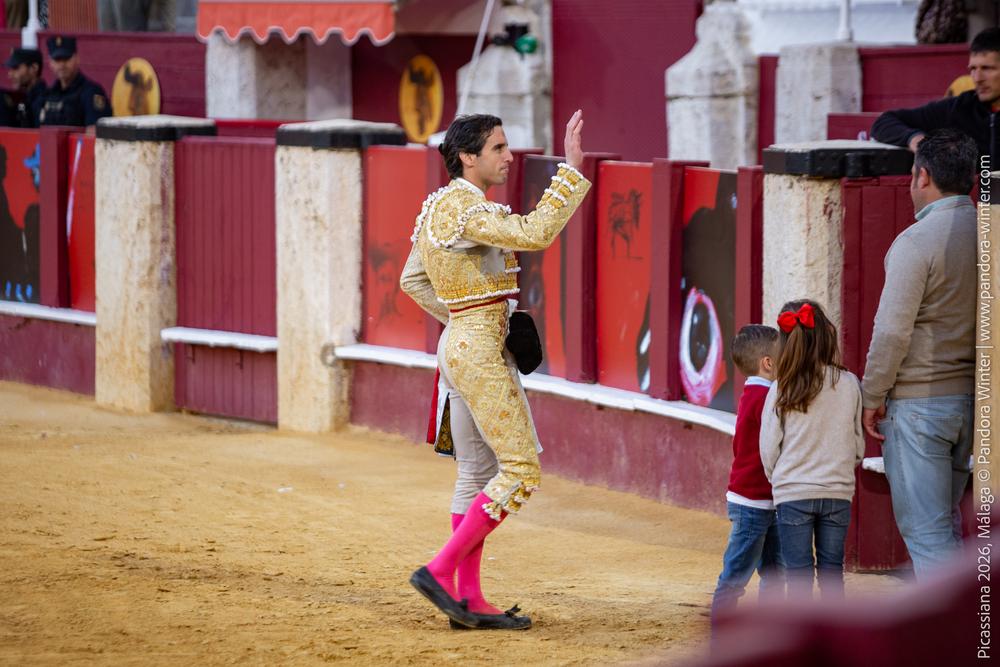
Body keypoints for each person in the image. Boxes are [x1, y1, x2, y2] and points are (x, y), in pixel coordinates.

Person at [400, 110, 590, 630]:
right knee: (520, 470)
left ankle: (471, 600)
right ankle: (440, 571)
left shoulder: (436, 208)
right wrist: (570, 171)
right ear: (468, 157)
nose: (509, 157)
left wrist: (463, 318)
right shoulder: (465, 209)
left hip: (458, 344)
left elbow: (411, 280)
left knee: (476, 474)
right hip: (480, 352)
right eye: (500, 148)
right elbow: (534, 232)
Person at [861, 128, 977, 578]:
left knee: (929, 537)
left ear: (921, 175)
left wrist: (873, 395)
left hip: (921, 403)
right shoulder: (990, 231)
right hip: (979, 401)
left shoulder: (916, 241)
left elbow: (891, 332)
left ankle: (963, 643)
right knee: (946, 527)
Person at [760, 300, 865, 601]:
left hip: (792, 492)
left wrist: (779, 477)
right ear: (826, 337)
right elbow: (857, 442)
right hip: (837, 490)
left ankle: (802, 641)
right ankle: (836, 640)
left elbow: (769, 446)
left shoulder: (781, 387)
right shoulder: (849, 384)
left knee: (798, 575)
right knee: (833, 572)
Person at [710, 325, 784, 628]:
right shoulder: (765, 398)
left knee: (773, 573)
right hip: (754, 501)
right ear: (768, 363)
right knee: (737, 576)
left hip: (762, 499)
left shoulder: (755, 394)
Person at [871, 28, 1000, 163]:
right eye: (973, 69)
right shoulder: (959, 108)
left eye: (987, 68)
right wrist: (915, 139)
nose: (977, 78)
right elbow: (884, 122)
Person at [38, 36, 112, 128]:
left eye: (66, 59)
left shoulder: (91, 92)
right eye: (57, 60)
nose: (62, 65)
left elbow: (94, 132)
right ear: (50, 62)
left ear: (77, 58)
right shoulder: (49, 94)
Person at [3, 47, 45, 128]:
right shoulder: (22, 99)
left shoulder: (44, 99)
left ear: (34, 68)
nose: (10, 74)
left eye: (16, 68)